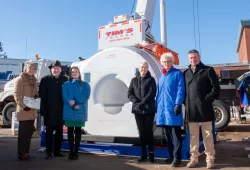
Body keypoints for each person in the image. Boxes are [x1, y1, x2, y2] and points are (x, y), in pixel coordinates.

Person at [183, 49, 220, 169]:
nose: (193, 59)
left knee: (207, 135)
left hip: (205, 109)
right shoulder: (186, 73)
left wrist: (206, 100)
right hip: (191, 110)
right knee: (193, 136)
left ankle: (210, 159)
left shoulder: (208, 70)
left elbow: (216, 88)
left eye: (195, 57)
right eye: (191, 58)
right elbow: (184, 91)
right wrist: (185, 102)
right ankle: (194, 159)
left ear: (199, 57)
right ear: (188, 59)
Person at [155, 52, 185, 167]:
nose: (166, 63)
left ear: (172, 62)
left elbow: (180, 89)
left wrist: (178, 103)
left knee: (175, 135)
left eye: (168, 61)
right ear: (162, 63)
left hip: (172, 109)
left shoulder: (177, 74)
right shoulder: (162, 76)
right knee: (168, 136)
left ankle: (177, 158)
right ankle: (171, 156)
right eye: (164, 62)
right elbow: (159, 93)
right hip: (163, 110)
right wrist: (157, 105)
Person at [128, 62, 157, 163]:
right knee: (141, 132)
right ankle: (143, 155)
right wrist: (137, 102)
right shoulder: (134, 80)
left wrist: (143, 103)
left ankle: (151, 155)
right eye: (142, 67)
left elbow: (152, 93)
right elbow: (129, 93)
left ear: (147, 69)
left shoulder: (151, 79)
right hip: (138, 110)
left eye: (145, 67)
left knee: (149, 132)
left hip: (148, 109)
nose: (143, 69)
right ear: (139, 68)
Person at [39, 60, 68, 160]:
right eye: (54, 68)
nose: (56, 70)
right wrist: (42, 110)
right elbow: (41, 96)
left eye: (58, 68)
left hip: (61, 111)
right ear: (51, 69)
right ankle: (48, 152)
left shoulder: (65, 80)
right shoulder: (44, 80)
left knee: (59, 133)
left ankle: (57, 151)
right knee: (49, 134)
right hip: (49, 111)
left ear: (61, 70)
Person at [62, 67, 91, 160]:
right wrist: (72, 104)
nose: (74, 73)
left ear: (79, 73)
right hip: (69, 110)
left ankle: (76, 151)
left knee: (78, 131)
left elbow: (86, 95)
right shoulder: (66, 84)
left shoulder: (85, 84)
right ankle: (71, 152)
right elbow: (64, 96)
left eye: (76, 72)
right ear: (70, 73)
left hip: (80, 110)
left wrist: (75, 102)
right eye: (73, 72)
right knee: (70, 131)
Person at [14, 62, 38, 160]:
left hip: (32, 111)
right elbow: (17, 96)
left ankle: (26, 153)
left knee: (28, 134)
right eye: (30, 68)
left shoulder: (34, 80)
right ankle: (21, 154)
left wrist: (36, 96)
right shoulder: (20, 80)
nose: (32, 70)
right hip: (24, 111)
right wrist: (24, 106)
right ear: (25, 69)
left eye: (33, 68)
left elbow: (35, 92)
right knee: (23, 135)